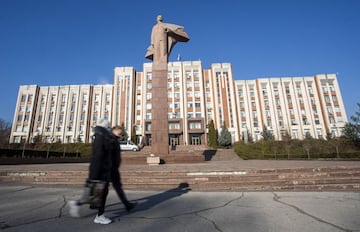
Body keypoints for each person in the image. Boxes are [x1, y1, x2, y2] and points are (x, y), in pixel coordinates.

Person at [68, 118, 113, 224]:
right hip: (99, 170)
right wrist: (96, 174)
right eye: (108, 125)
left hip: (100, 169)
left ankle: (77, 204)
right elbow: (98, 156)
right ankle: (99, 216)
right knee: (100, 193)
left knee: (94, 193)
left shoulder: (100, 135)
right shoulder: (100, 136)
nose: (109, 126)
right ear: (104, 126)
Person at [110, 126, 137, 212]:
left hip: (113, 168)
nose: (121, 134)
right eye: (120, 132)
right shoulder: (110, 139)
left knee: (118, 187)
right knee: (104, 190)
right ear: (115, 130)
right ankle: (81, 202)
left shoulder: (114, 139)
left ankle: (127, 204)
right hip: (109, 169)